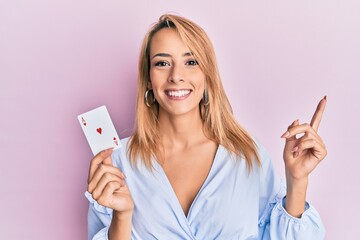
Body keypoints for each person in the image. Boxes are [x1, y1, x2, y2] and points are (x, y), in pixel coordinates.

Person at [85, 14, 327, 240]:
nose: (176, 75)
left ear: (207, 75)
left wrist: (297, 181)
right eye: (162, 63)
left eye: (191, 61)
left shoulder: (247, 156)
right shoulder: (116, 162)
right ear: (148, 78)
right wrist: (123, 215)